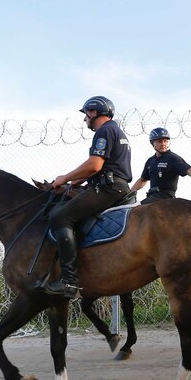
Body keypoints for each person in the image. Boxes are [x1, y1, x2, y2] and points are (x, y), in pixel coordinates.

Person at [42, 96, 133, 299]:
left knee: (60, 217)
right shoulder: (116, 130)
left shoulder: (104, 130)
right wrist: (76, 181)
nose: (85, 120)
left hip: (108, 189)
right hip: (116, 185)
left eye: (86, 115)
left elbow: (95, 165)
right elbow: (100, 168)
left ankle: (69, 280)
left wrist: (65, 177)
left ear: (93, 113)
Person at [129, 127, 191, 204]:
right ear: (152, 143)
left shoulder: (173, 158)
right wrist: (129, 193)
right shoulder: (150, 161)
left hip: (166, 197)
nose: (163, 144)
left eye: (165, 141)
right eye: (160, 141)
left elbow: (189, 170)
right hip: (152, 196)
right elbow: (143, 180)